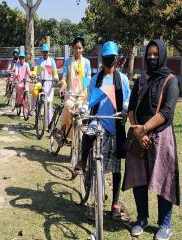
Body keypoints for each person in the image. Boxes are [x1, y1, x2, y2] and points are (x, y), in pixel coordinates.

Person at [123, 40, 180, 240]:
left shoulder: (171, 80)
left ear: (163, 54)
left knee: (163, 180)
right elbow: (131, 108)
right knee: (139, 179)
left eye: (156, 54)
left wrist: (145, 129)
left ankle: (165, 224)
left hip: (160, 137)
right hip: (139, 137)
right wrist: (137, 130)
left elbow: (167, 112)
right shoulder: (140, 80)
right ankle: (141, 219)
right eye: (149, 54)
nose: (152, 57)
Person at [75, 41, 130, 219]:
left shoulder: (122, 79)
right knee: (88, 134)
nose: (110, 61)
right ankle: (83, 161)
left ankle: (115, 201)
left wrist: (125, 109)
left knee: (116, 167)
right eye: (107, 58)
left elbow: (126, 101)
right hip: (98, 121)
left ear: (116, 59)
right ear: (103, 59)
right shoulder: (95, 79)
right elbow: (89, 100)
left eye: (113, 58)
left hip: (115, 124)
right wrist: (84, 108)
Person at [59, 37, 91, 140]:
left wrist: (86, 90)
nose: (77, 50)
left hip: (82, 96)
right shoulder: (68, 62)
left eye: (79, 48)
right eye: (75, 48)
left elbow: (88, 79)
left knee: (80, 117)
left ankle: (76, 140)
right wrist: (62, 87)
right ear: (72, 48)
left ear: (83, 49)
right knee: (68, 107)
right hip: (70, 95)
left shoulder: (87, 62)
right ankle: (63, 128)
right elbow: (64, 78)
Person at [34, 43, 59, 123]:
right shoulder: (39, 60)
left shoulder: (51, 61)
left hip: (49, 84)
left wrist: (55, 77)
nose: (45, 53)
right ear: (42, 52)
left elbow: (55, 72)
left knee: (48, 103)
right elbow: (35, 71)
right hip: (40, 83)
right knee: (36, 98)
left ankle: (49, 123)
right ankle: (36, 114)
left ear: (49, 52)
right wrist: (34, 74)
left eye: (46, 52)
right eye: (43, 52)